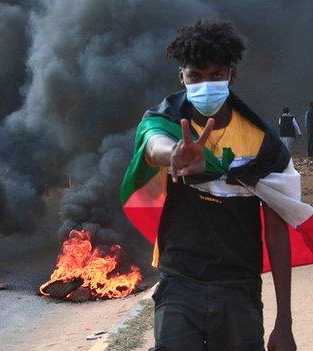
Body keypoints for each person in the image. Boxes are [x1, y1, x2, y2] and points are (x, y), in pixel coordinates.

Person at [120, 20, 297, 350]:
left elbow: (276, 231)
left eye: (216, 75)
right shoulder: (166, 121)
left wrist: (284, 323)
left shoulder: (262, 144)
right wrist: (173, 154)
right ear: (182, 77)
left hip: (238, 289)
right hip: (179, 285)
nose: (206, 84)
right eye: (195, 76)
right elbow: (152, 143)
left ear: (232, 74)